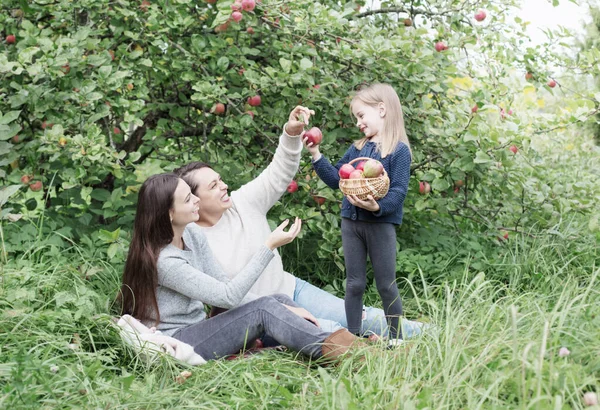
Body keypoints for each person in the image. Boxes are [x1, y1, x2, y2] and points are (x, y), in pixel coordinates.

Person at [175, 105, 424, 338]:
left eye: (220, 179)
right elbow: (225, 297)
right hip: (257, 317)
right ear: (195, 199)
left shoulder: (243, 203)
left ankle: (432, 333)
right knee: (332, 331)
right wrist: (282, 310)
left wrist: (291, 134)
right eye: (214, 185)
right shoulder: (192, 241)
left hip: (291, 289)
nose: (224, 185)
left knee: (363, 318)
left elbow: (279, 172)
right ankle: (371, 353)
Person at [118, 173, 361, 362]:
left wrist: (280, 306)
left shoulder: (191, 232)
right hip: (182, 340)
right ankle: (350, 354)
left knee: (277, 299)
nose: (197, 200)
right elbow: (229, 296)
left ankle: (340, 345)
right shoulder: (165, 262)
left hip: (200, 326)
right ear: (170, 214)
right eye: (188, 198)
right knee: (264, 308)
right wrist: (268, 247)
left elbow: (223, 283)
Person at [303, 83, 412, 344]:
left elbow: (398, 192)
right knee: (354, 283)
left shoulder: (398, 151)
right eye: (356, 118)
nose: (358, 123)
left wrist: (378, 207)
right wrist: (315, 154)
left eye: (362, 116)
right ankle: (353, 337)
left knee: (386, 285)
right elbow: (337, 179)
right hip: (351, 223)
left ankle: (395, 340)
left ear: (382, 110)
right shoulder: (358, 149)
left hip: (380, 225)